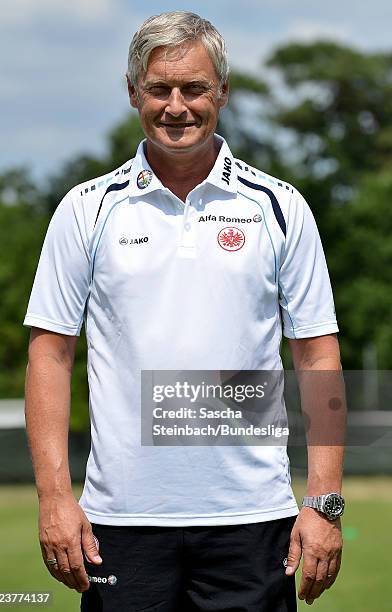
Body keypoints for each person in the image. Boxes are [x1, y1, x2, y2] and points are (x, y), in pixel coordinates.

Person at [23, 11, 345, 612]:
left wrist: (325, 501)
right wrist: (53, 497)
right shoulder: (85, 209)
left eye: (194, 88)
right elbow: (50, 351)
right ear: (132, 92)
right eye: (159, 88)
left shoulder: (281, 206)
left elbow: (317, 352)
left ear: (221, 92)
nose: (177, 106)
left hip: (255, 520)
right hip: (119, 524)